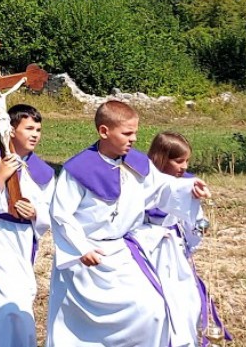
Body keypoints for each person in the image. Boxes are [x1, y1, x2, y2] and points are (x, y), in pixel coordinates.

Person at [45, 101, 210, 347]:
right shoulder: (78, 170)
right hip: (90, 260)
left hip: (123, 254)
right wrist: (81, 249)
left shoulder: (136, 163)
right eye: (127, 133)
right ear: (104, 132)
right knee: (83, 330)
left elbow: (162, 188)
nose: (133, 139)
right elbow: (61, 214)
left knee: (153, 311)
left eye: (135, 132)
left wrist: (190, 188)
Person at [0, 104, 55, 347]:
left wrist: (35, 213)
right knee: (7, 301)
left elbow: (51, 209)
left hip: (24, 239)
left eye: (38, 129)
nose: (35, 134)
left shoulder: (44, 172)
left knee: (22, 295)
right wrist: (0, 176)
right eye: (29, 128)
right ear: (11, 131)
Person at [131, 131, 229, 347]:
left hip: (174, 251)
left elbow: (194, 220)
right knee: (153, 305)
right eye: (178, 161)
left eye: (187, 161)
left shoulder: (187, 183)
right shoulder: (141, 180)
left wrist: (198, 221)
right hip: (147, 250)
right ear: (162, 157)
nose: (184, 167)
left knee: (187, 300)